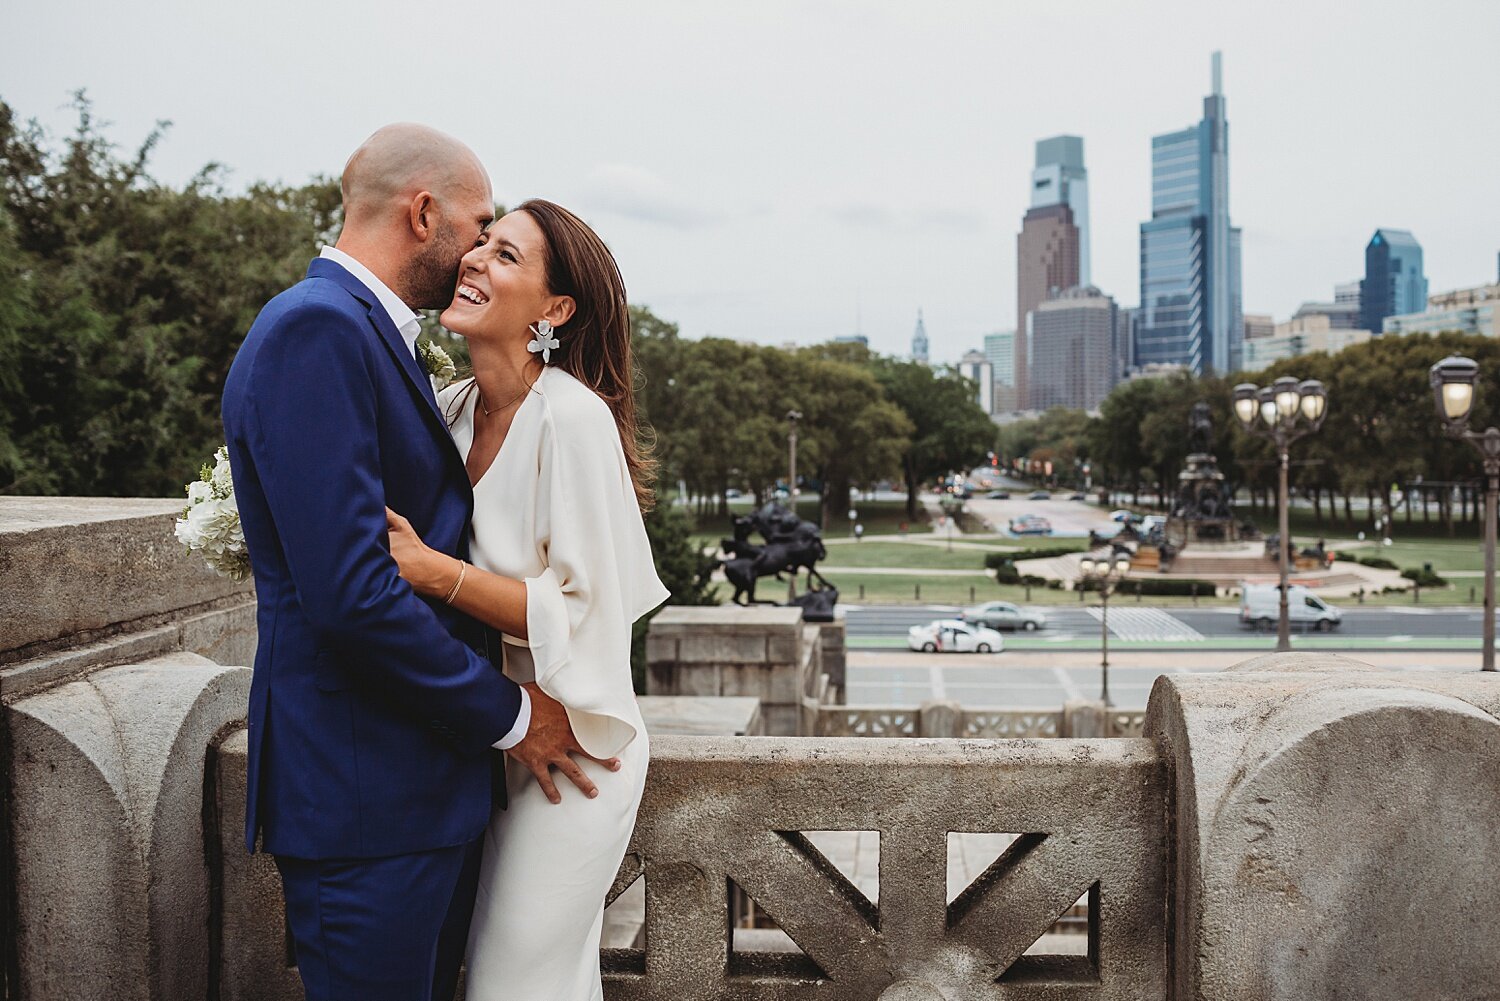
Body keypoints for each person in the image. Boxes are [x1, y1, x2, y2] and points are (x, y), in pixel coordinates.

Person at [221, 125, 608, 1001]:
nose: (478, 249)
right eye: (477, 226)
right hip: (365, 803)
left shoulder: (370, 334)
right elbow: (354, 595)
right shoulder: (316, 330)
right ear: (423, 212)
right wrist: (511, 714)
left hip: (415, 794)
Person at [384, 198, 668, 1000]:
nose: (473, 259)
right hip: (490, 735)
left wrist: (435, 571)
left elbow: (584, 610)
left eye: (505, 255)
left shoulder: (571, 418)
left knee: (513, 982)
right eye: (480, 244)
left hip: (576, 751)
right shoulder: (451, 408)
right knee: (540, 980)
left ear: (555, 308)